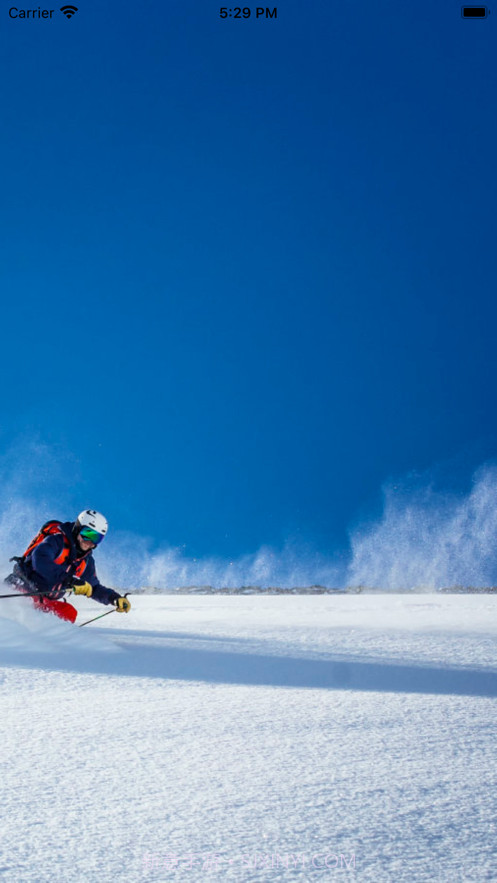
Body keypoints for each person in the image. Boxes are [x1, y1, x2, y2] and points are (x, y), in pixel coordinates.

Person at [6, 509, 131, 624]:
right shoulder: (56, 541)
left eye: (96, 538)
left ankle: (48, 643)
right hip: (21, 589)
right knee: (17, 613)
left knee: (68, 613)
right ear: (77, 528)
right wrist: (69, 581)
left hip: (44, 601)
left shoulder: (86, 562)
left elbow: (94, 588)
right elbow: (40, 560)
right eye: (87, 533)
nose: (90, 542)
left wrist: (114, 598)